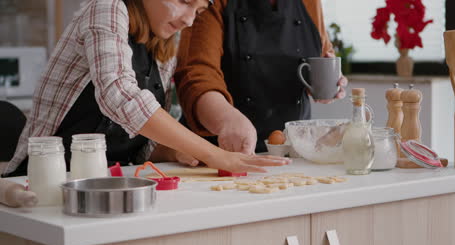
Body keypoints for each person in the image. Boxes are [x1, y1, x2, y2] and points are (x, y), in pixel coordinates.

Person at [3, 0, 290, 177]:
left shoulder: (165, 44)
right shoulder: (106, 8)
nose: (189, 20)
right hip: (41, 183)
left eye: (199, 10)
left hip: (109, 182)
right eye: (184, 1)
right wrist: (214, 154)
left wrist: (175, 152)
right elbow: (119, 95)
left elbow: (137, 146)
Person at [174, 0, 348, 156]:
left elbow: (322, 53)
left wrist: (326, 81)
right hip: (222, 152)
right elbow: (197, 74)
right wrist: (227, 120)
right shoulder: (214, 2)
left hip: (294, 150)